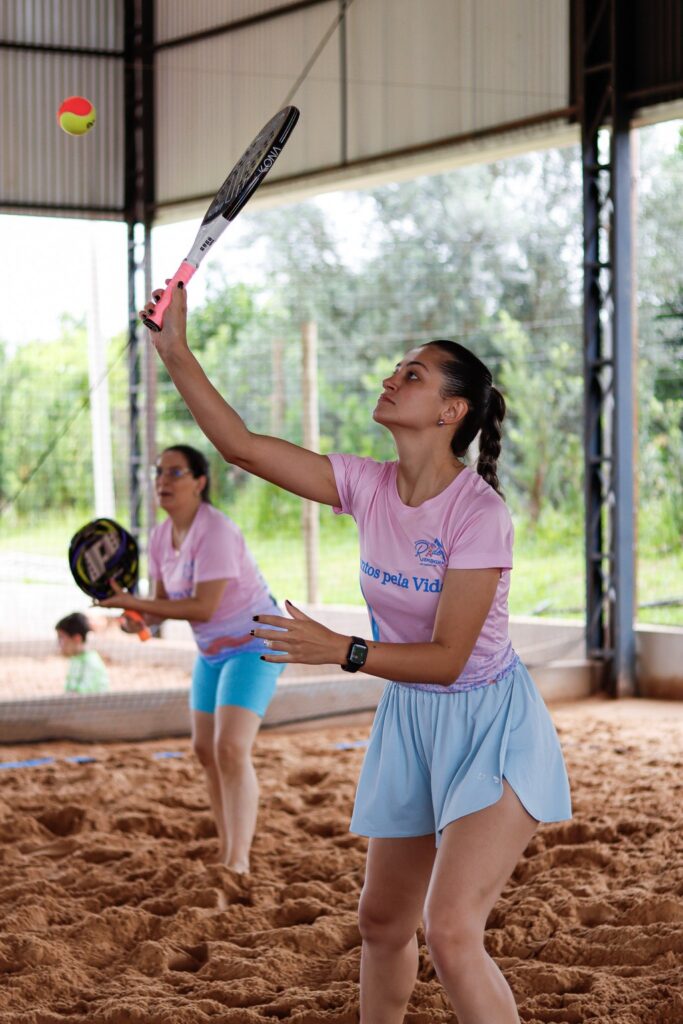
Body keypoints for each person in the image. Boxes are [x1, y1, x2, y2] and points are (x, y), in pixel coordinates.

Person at [139, 280, 572, 1024]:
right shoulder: (364, 485)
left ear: (450, 412)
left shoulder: (478, 513)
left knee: (451, 932)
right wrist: (175, 352)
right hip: (411, 719)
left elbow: (446, 657)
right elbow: (239, 446)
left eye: (413, 374)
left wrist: (340, 649)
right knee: (380, 923)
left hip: (488, 725)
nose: (390, 378)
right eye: (395, 368)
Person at [96, 443, 285, 874]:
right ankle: (228, 849)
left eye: (175, 473)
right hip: (213, 651)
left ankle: (238, 861)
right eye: (159, 472)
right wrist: (132, 616)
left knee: (231, 747)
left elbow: (202, 607)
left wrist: (137, 601)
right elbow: (158, 611)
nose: (163, 480)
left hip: (256, 641)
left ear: (200, 483)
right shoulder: (162, 536)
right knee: (205, 750)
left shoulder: (215, 531)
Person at [56, 612, 109, 694]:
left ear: (77, 638)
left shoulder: (91, 663)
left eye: (61, 638)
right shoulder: (76, 659)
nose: (59, 643)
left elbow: (79, 697)